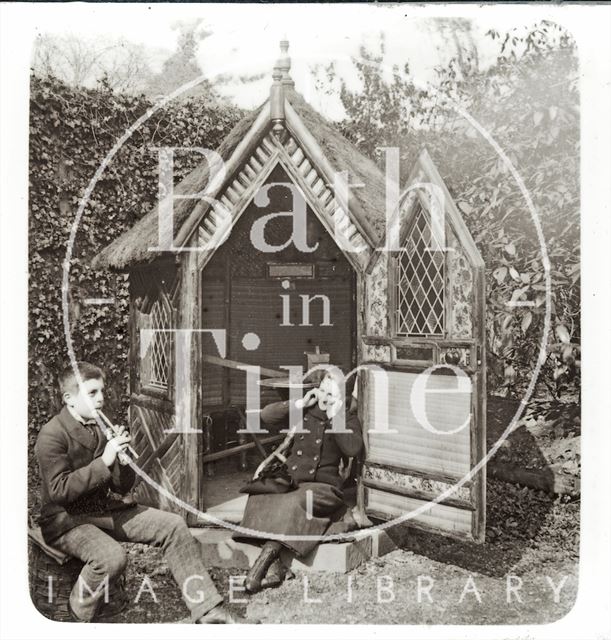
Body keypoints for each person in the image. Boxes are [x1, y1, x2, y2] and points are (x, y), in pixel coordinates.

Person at [34, 361, 250, 624]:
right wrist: (104, 461)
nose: (101, 399)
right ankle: (76, 616)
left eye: (102, 391)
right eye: (92, 393)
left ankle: (208, 610)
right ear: (69, 398)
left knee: (173, 525)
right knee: (112, 558)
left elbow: (120, 487)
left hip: (101, 512)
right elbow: (59, 491)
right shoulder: (51, 434)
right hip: (66, 521)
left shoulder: (100, 426)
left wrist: (122, 464)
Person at [234, 369, 363, 593]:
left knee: (293, 504)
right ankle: (276, 570)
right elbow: (266, 416)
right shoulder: (306, 410)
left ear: (341, 397)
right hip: (291, 481)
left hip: (323, 488)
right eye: (322, 390)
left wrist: (335, 417)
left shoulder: (346, 418)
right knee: (259, 496)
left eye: (331, 394)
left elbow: (353, 448)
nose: (324, 398)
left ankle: (257, 571)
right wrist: (299, 403)